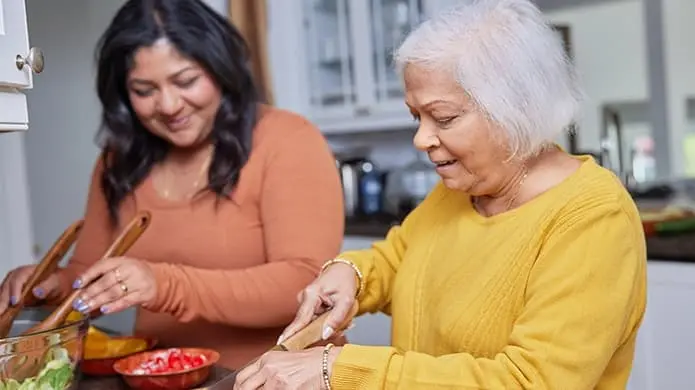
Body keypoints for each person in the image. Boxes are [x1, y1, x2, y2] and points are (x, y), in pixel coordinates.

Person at [233, 0, 648, 388]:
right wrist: (350, 274)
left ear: (516, 110)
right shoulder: (463, 188)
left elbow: (531, 380)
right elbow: (397, 260)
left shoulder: (593, 216)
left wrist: (339, 370)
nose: (421, 138)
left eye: (443, 118)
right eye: (417, 116)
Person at [0, 0, 344, 370]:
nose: (168, 104)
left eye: (186, 81)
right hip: (162, 375)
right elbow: (93, 273)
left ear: (221, 70)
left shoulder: (288, 139)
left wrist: (163, 284)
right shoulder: (118, 161)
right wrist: (54, 284)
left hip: (279, 377)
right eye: (144, 90)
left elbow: (305, 282)